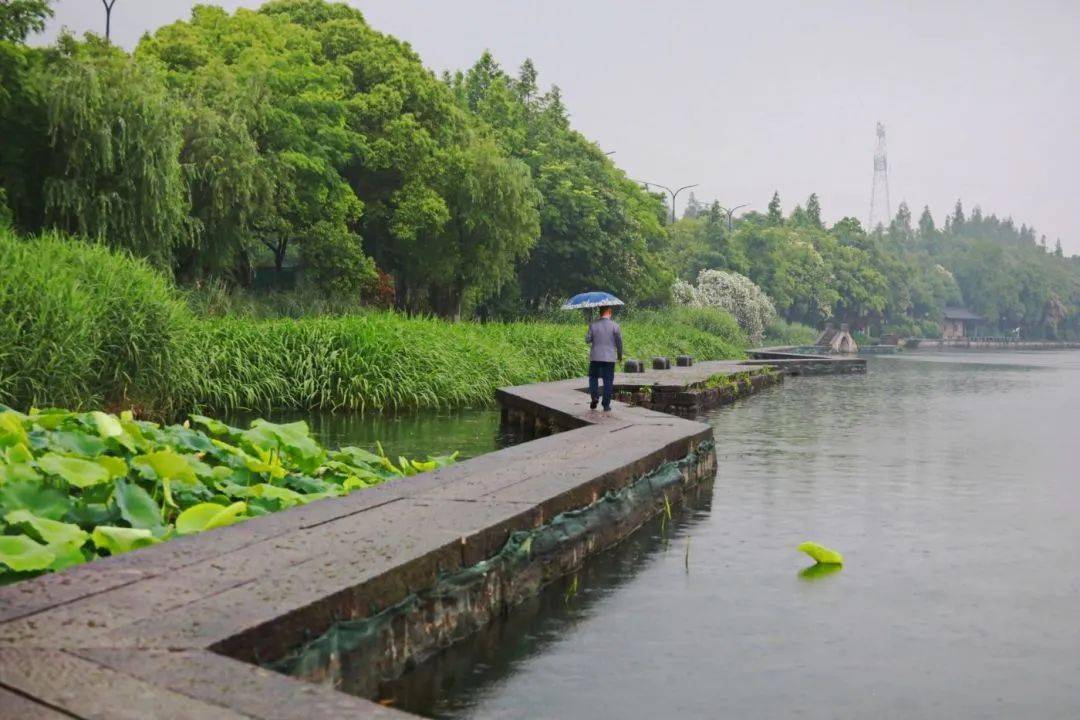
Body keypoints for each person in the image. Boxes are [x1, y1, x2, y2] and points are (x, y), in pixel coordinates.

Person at [585, 306, 623, 411]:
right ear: (609, 312)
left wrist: (591, 333)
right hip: (609, 358)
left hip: (595, 357)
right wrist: (619, 355)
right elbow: (619, 343)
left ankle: (595, 397)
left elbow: (587, 340)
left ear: (600, 313)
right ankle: (606, 405)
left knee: (593, 378)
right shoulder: (615, 326)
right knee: (608, 381)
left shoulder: (593, 325)